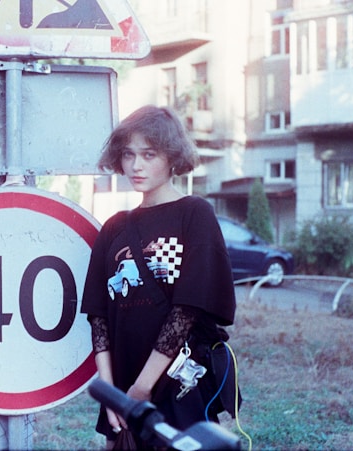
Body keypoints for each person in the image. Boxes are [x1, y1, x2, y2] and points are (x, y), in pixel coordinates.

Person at [81, 105, 237, 449]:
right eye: (128, 154)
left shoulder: (194, 214)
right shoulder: (114, 227)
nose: (136, 165)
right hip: (121, 390)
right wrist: (110, 393)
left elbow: (188, 309)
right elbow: (98, 316)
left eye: (149, 154)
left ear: (171, 157)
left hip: (177, 385)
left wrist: (143, 387)